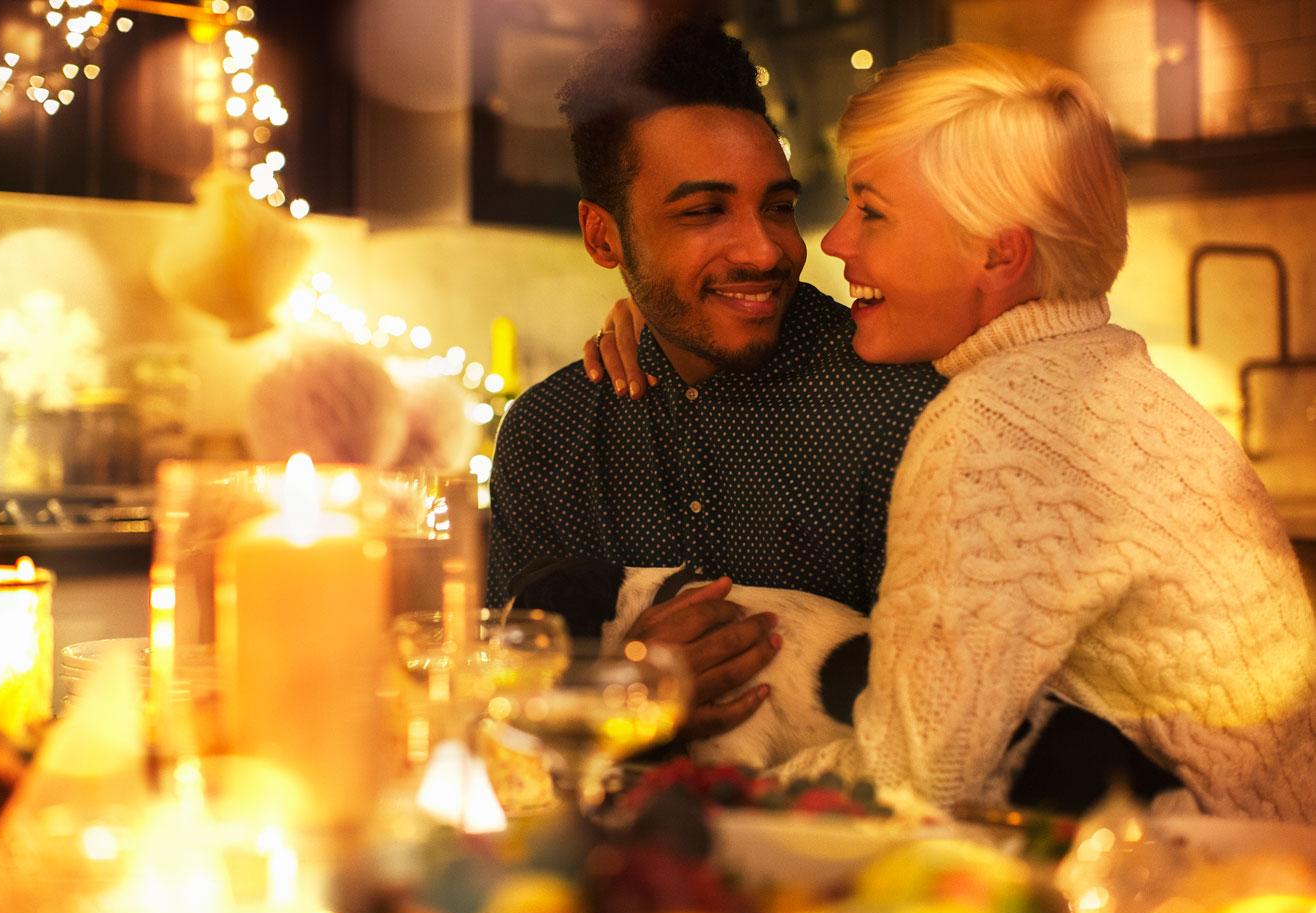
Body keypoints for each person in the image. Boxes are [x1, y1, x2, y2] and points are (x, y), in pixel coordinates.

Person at [592, 42, 1316, 820]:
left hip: (1203, 882)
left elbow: (913, 778)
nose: (832, 243)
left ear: (998, 253)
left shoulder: (996, 427)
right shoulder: (1093, 373)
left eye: (872, 210)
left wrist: (694, 802)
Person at [487, 17, 945, 741]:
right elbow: (501, 707)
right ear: (604, 237)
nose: (765, 249)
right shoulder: (551, 436)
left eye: (779, 206)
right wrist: (622, 701)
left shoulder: (901, 413)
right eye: (704, 212)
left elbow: (963, 723)